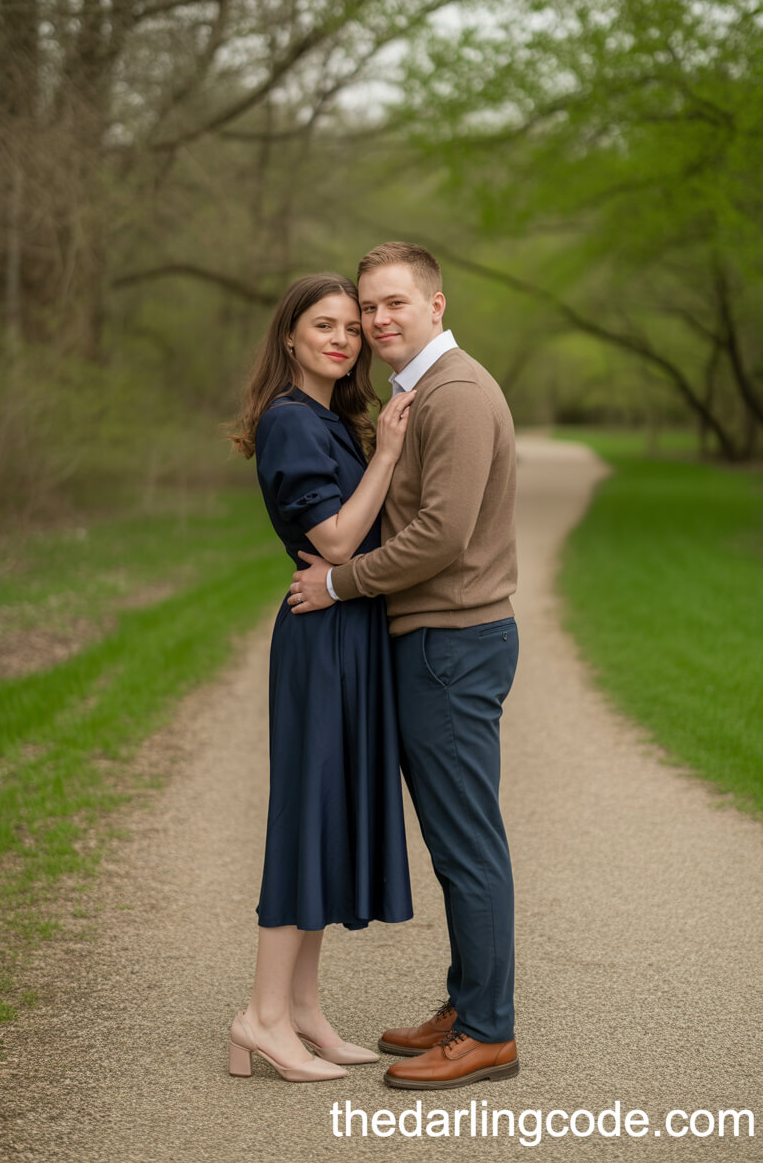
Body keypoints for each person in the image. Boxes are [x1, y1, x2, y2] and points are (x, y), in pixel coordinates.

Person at [288, 242, 520, 1090]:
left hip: (451, 643)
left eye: (393, 304)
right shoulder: (419, 393)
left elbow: (442, 538)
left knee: (467, 844)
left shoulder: (454, 395)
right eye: (367, 306)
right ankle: (469, 1004)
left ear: (435, 304)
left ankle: (489, 1031)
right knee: (458, 839)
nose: (378, 320)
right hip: (436, 641)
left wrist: (341, 582)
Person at [227, 273, 415, 1084]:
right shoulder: (288, 422)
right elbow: (337, 541)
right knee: (305, 818)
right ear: (291, 338)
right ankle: (260, 1018)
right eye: (324, 325)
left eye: (351, 326)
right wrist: (393, 455)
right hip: (319, 636)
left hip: (349, 630)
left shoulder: (331, 419)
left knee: (329, 815)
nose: (343, 338)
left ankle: (300, 1010)